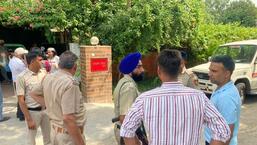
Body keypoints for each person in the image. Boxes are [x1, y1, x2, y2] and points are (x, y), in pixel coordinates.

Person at [120, 49, 231, 145]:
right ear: (179, 69)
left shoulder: (145, 99)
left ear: (159, 70)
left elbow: (126, 130)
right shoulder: (199, 98)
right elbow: (223, 131)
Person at [30, 51, 86, 145]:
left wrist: (51, 105)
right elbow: (68, 118)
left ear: (59, 65)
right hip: (68, 137)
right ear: (75, 67)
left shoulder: (48, 78)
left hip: (55, 133)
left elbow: (33, 94)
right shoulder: (70, 84)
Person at [204, 55, 241, 145]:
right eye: (210, 70)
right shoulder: (222, 88)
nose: (209, 74)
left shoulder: (226, 97)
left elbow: (226, 135)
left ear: (227, 74)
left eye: (214, 71)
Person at [16, 51, 51, 145]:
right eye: (39, 60)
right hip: (32, 113)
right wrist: (29, 119)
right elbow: (21, 100)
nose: (42, 62)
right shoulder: (22, 77)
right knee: (31, 140)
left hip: (46, 111)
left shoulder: (44, 73)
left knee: (49, 139)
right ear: (32, 62)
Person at [113, 52, 145, 145]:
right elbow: (124, 118)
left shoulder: (124, 81)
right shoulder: (129, 87)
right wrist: (136, 141)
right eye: (139, 67)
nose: (142, 70)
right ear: (130, 70)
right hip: (128, 135)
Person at [9, 47, 28, 121]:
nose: (24, 55)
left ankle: (18, 113)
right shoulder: (18, 62)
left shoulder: (12, 60)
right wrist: (25, 62)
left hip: (15, 80)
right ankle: (21, 115)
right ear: (19, 54)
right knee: (22, 98)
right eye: (23, 54)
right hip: (20, 81)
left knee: (20, 97)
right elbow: (26, 70)